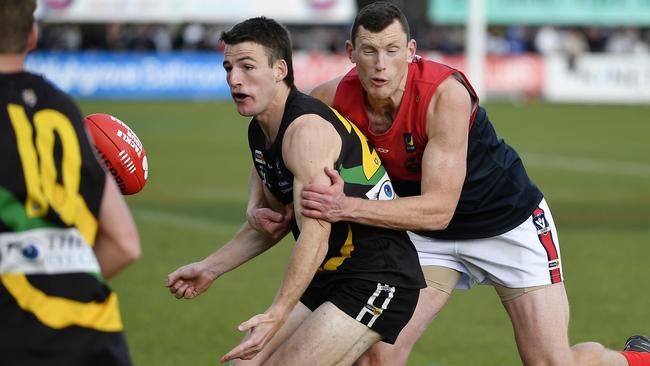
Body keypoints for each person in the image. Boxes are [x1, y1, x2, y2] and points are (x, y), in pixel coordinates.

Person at [248, 2, 650, 366]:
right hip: (421, 234)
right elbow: (281, 126)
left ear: (411, 51)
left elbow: (439, 208)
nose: (380, 65)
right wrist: (260, 202)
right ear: (351, 54)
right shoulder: (331, 96)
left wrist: (343, 207)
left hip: (505, 223)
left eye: (392, 50)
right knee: (376, 357)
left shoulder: (445, 96)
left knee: (551, 362)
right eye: (369, 51)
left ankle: (635, 359)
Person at [165, 16, 425, 365]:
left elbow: (315, 236)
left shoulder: (305, 131)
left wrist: (277, 312)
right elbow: (276, 222)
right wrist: (210, 268)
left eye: (247, 67)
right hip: (331, 273)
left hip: (378, 275)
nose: (234, 79)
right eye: (228, 67)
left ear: (279, 69)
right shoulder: (260, 131)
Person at [0, 1, 141, 365]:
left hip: (14, 334)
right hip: (95, 335)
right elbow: (125, 245)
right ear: (32, 36)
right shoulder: (64, 109)